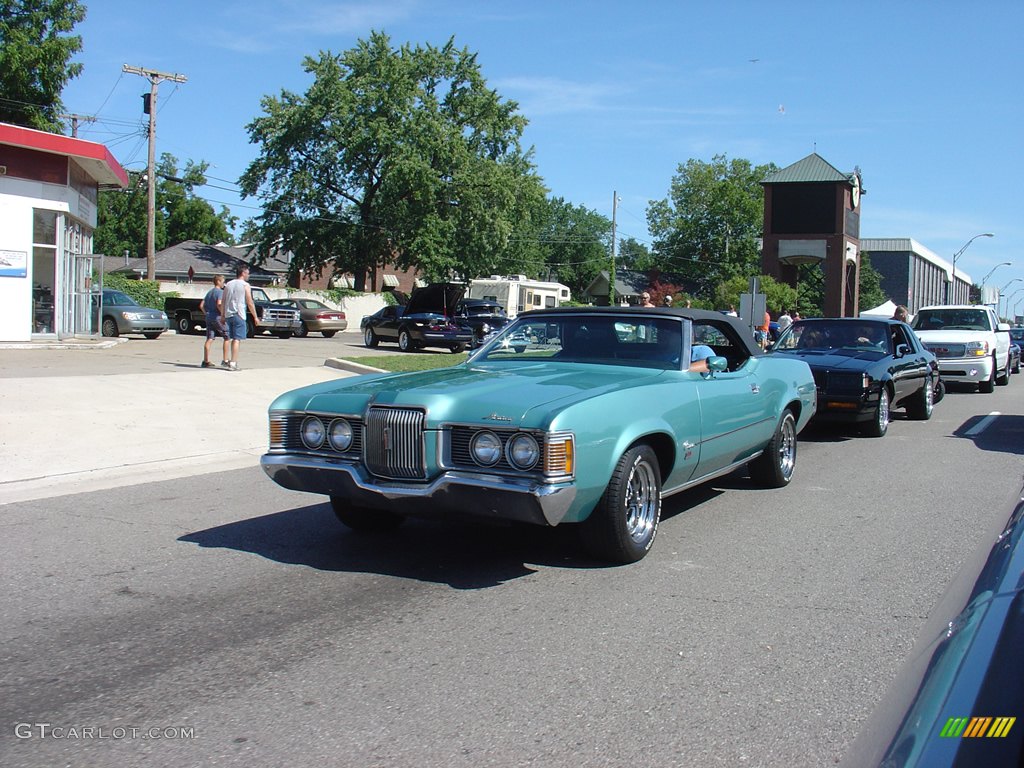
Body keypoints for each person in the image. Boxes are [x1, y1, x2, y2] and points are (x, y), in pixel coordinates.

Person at [220, 264, 258, 371]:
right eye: (247, 273)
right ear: (243, 273)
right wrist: (255, 316)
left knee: (231, 338)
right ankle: (233, 362)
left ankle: (230, 360)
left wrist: (222, 315)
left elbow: (223, 301)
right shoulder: (245, 285)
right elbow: (249, 302)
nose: (248, 275)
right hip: (239, 314)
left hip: (228, 314)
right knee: (237, 339)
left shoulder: (228, 285)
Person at [198, 275, 229, 368]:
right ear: (219, 281)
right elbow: (219, 303)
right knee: (227, 336)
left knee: (210, 338)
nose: (224, 283)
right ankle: (225, 360)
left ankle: (206, 360)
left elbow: (201, 305)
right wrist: (222, 314)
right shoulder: (220, 292)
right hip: (217, 317)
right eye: (223, 281)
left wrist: (206, 313)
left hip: (209, 316)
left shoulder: (209, 293)